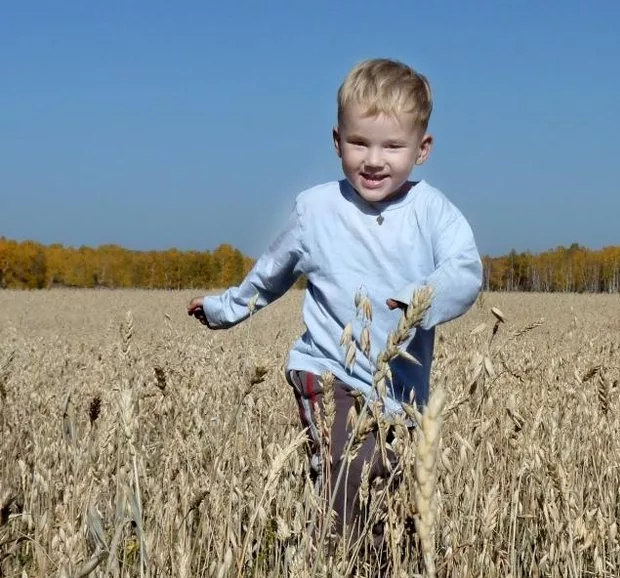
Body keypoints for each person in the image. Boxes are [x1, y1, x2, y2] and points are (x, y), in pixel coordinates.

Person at [187, 57, 483, 547]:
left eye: (392, 146)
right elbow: (271, 273)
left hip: (399, 394)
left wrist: (417, 302)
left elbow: (466, 271)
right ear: (336, 141)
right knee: (349, 475)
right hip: (328, 372)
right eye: (359, 142)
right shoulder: (315, 210)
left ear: (422, 149)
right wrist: (225, 309)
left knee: (390, 498)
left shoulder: (433, 212)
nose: (373, 159)